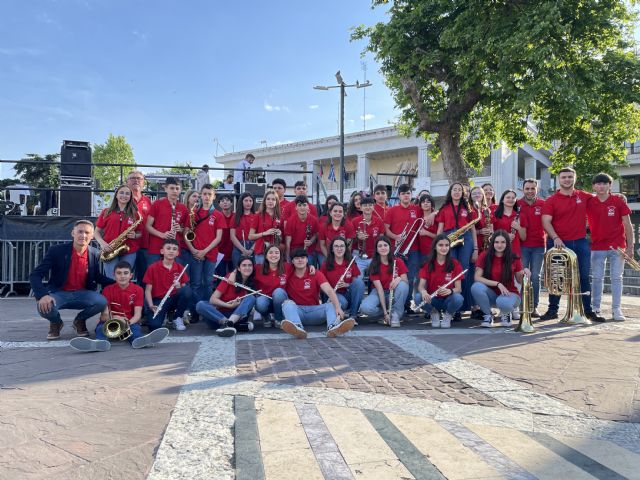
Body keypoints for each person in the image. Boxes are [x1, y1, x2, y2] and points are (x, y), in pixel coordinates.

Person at [29, 220, 113, 340]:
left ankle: (79, 321)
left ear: (92, 236)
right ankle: (56, 322)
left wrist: (118, 282)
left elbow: (97, 276)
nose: (83, 235)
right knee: (44, 307)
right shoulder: (56, 251)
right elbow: (35, 275)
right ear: (72, 233)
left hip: (83, 293)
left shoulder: (94, 253)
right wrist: (42, 295)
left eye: (87, 232)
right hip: (59, 293)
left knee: (101, 301)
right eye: (80, 231)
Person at [541, 167, 600, 321]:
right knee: (557, 278)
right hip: (558, 242)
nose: (567, 179)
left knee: (584, 277)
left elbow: (601, 195)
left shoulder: (584, 196)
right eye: (563, 177)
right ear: (559, 180)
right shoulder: (551, 200)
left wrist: (618, 196)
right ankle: (552, 310)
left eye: (569, 177)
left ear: (575, 178)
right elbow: (545, 222)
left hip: (580, 242)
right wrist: (555, 238)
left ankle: (587, 310)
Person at [69, 261, 169, 352]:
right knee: (100, 329)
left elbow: (138, 315)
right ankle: (100, 343)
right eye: (119, 273)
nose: (122, 276)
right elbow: (104, 315)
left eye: (126, 273)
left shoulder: (138, 290)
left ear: (131, 275)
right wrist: (115, 319)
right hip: (110, 323)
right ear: (114, 275)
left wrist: (126, 322)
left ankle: (139, 340)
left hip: (129, 322)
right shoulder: (107, 290)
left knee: (135, 330)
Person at [587, 172, 634, 321]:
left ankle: (616, 309)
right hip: (597, 246)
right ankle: (595, 308)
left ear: (609, 185)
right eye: (598, 183)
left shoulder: (618, 201)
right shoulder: (589, 201)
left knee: (617, 278)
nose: (601, 186)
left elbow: (628, 225)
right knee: (597, 278)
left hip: (617, 247)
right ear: (594, 186)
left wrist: (630, 247)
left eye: (604, 183)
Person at [280, 248, 355, 339]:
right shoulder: (288, 272)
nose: (300, 260)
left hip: (315, 312)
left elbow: (329, 290)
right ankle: (298, 328)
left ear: (307, 259)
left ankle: (333, 327)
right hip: (297, 311)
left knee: (331, 304)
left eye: (303, 257)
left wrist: (338, 308)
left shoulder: (316, 273)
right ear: (292, 261)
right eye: (296, 258)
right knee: (287, 304)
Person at [436, 182, 478, 319]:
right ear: (451, 192)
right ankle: (454, 307)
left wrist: (476, 248)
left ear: (463, 193)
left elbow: (472, 229)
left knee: (464, 270)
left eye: (460, 190)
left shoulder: (468, 208)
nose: (457, 192)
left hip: (466, 238)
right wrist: (437, 244)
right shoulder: (444, 208)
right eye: (455, 189)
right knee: (451, 269)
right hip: (449, 238)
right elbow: (440, 229)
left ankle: (463, 307)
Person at [472, 230, 530, 327]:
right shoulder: (484, 255)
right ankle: (488, 315)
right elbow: (477, 278)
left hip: (510, 295)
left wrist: (526, 273)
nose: (499, 245)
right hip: (492, 294)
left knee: (502, 301)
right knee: (476, 287)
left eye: (503, 242)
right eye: (497, 242)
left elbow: (520, 280)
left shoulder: (514, 257)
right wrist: (497, 284)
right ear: (492, 243)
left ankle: (506, 313)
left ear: (507, 243)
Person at [184, 184, 224, 309]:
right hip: (195, 253)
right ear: (201, 195)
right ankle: (195, 310)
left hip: (211, 254)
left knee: (208, 283)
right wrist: (193, 250)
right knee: (195, 283)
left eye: (209, 194)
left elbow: (218, 238)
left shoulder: (218, 214)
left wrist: (204, 251)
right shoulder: (193, 213)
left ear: (214, 196)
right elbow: (186, 233)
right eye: (205, 194)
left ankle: (207, 309)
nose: (207, 197)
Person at [196, 256, 258, 337]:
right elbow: (212, 300)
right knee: (200, 304)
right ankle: (228, 324)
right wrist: (229, 305)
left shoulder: (254, 281)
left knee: (251, 298)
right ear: (238, 268)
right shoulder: (229, 278)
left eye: (250, 265)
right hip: (218, 317)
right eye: (244, 265)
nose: (247, 268)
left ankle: (231, 323)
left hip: (238, 317)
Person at [414, 234, 464, 328]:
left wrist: (450, 291)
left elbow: (459, 289)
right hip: (433, 299)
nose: (444, 248)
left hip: (448, 300)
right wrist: (424, 292)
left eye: (446, 245)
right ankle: (434, 313)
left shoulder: (455, 263)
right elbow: (421, 286)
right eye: (440, 245)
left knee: (458, 298)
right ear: (435, 247)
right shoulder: (428, 264)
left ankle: (448, 315)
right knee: (417, 297)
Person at [94, 184, 143, 279]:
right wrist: (102, 243)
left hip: (129, 251)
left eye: (127, 194)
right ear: (116, 195)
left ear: (130, 197)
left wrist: (135, 235)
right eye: (121, 192)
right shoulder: (106, 212)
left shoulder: (135, 214)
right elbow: (96, 232)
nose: (124, 195)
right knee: (112, 278)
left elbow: (140, 233)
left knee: (124, 279)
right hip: (109, 249)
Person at [385, 184, 422, 308]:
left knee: (411, 277)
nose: (406, 196)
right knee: (396, 277)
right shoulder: (392, 210)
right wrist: (396, 237)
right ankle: (396, 303)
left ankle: (406, 305)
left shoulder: (417, 209)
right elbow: (386, 230)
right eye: (403, 193)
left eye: (408, 193)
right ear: (399, 196)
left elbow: (430, 213)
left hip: (413, 249)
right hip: (397, 249)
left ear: (411, 195)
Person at [360, 235, 410, 327]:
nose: (383, 248)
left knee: (403, 285)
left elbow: (405, 280)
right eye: (380, 246)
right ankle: (386, 314)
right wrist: (385, 313)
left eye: (385, 245)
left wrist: (398, 279)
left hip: (394, 292)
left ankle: (396, 314)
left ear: (390, 247)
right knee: (365, 308)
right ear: (377, 249)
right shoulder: (374, 265)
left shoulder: (398, 261)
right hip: (379, 292)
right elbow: (379, 290)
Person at [143, 239, 192, 331]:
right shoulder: (153, 268)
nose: (171, 251)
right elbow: (148, 290)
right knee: (154, 326)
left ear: (177, 253)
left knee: (187, 291)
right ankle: (165, 315)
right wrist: (150, 305)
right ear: (162, 251)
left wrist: (179, 286)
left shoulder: (180, 267)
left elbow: (185, 290)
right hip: (159, 300)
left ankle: (177, 318)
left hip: (174, 298)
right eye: (168, 248)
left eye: (174, 249)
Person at [517, 179, 546, 317]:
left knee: (535, 277)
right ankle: (523, 306)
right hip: (521, 246)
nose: (530, 191)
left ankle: (534, 307)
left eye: (532, 188)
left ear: (537, 189)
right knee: (523, 277)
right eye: (527, 188)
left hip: (539, 246)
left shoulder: (543, 204)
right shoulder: (517, 204)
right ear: (523, 189)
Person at [146, 177, 188, 265]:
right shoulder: (157, 204)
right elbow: (148, 226)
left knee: (173, 276)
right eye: (172, 188)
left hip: (174, 248)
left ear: (180, 190)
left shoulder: (183, 208)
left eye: (177, 188)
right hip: (156, 247)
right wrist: (162, 235)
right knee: (154, 276)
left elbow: (185, 229)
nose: (175, 191)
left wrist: (180, 229)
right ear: (166, 189)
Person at [320, 237, 365, 318]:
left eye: (342, 246)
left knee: (359, 283)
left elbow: (356, 282)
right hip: (333, 294)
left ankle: (353, 315)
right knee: (343, 303)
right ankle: (339, 312)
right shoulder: (326, 264)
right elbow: (321, 285)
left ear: (345, 248)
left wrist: (347, 285)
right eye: (336, 246)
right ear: (332, 249)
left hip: (347, 294)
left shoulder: (351, 262)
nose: (339, 249)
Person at [255, 244, 291, 328]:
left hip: (280, 301)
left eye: (276, 252)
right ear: (266, 256)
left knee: (278, 292)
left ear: (280, 256)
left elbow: (301, 267)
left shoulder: (287, 267)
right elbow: (243, 267)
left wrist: (311, 266)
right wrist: (234, 273)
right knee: (260, 303)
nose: (274, 255)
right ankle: (266, 317)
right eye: (270, 252)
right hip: (265, 299)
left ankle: (278, 319)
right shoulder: (258, 268)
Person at [126, 170, 152, 284]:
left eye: (139, 179)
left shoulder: (147, 200)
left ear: (143, 183)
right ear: (127, 182)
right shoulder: (122, 198)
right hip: (127, 246)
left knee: (144, 277)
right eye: (132, 178)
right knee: (125, 277)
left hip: (144, 245)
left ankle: (141, 301)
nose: (136, 180)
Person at [351, 196, 384, 278]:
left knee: (377, 278)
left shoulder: (379, 221)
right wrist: (357, 237)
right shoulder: (354, 221)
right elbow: (349, 241)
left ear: (373, 207)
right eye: (365, 205)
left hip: (374, 256)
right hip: (358, 257)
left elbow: (381, 240)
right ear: (361, 208)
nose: (368, 207)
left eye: (370, 205)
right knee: (357, 279)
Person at [248, 189, 282, 265]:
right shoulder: (258, 216)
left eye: (273, 199)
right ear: (264, 201)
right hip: (261, 251)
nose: (270, 201)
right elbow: (250, 236)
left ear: (276, 202)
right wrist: (265, 233)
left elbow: (282, 239)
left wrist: (279, 234)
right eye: (268, 199)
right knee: (261, 274)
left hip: (275, 252)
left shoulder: (279, 217)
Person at [492, 189, 527, 256]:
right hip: (498, 250)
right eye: (508, 197)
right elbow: (491, 234)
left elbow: (523, 238)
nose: (511, 199)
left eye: (513, 198)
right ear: (502, 200)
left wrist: (518, 227)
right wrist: (504, 236)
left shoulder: (521, 216)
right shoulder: (495, 215)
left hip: (515, 250)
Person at [284, 195, 319, 262]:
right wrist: (288, 258)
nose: (302, 208)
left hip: (309, 251)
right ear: (296, 208)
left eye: (304, 205)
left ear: (308, 207)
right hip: (294, 250)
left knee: (309, 263)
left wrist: (311, 241)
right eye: (299, 205)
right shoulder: (290, 221)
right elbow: (288, 242)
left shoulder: (314, 220)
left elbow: (316, 234)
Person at [230, 192, 257, 267]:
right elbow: (232, 236)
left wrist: (251, 250)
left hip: (253, 247)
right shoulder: (235, 217)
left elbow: (259, 236)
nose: (248, 203)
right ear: (241, 201)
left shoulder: (256, 217)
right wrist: (243, 250)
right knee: (238, 271)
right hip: (239, 246)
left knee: (252, 272)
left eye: (250, 201)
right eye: (246, 200)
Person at [416, 194, 439, 263]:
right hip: (420, 253)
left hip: (433, 251)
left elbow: (439, 236)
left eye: (428, 202)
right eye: (423, 202)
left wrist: (426, 233)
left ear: (432, 204)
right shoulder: (419, 217)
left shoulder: (436, 218)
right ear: (420, 205)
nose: (425, 203)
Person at [217, 193, 235, 276]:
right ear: (219, 204)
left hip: (234, 251)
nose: (225, 202)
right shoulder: (216, 217)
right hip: (219, 252)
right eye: (222, 201)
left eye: (227, 200)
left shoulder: (236, 216)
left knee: (233, 277)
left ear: (231, 203)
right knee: (221, 277)